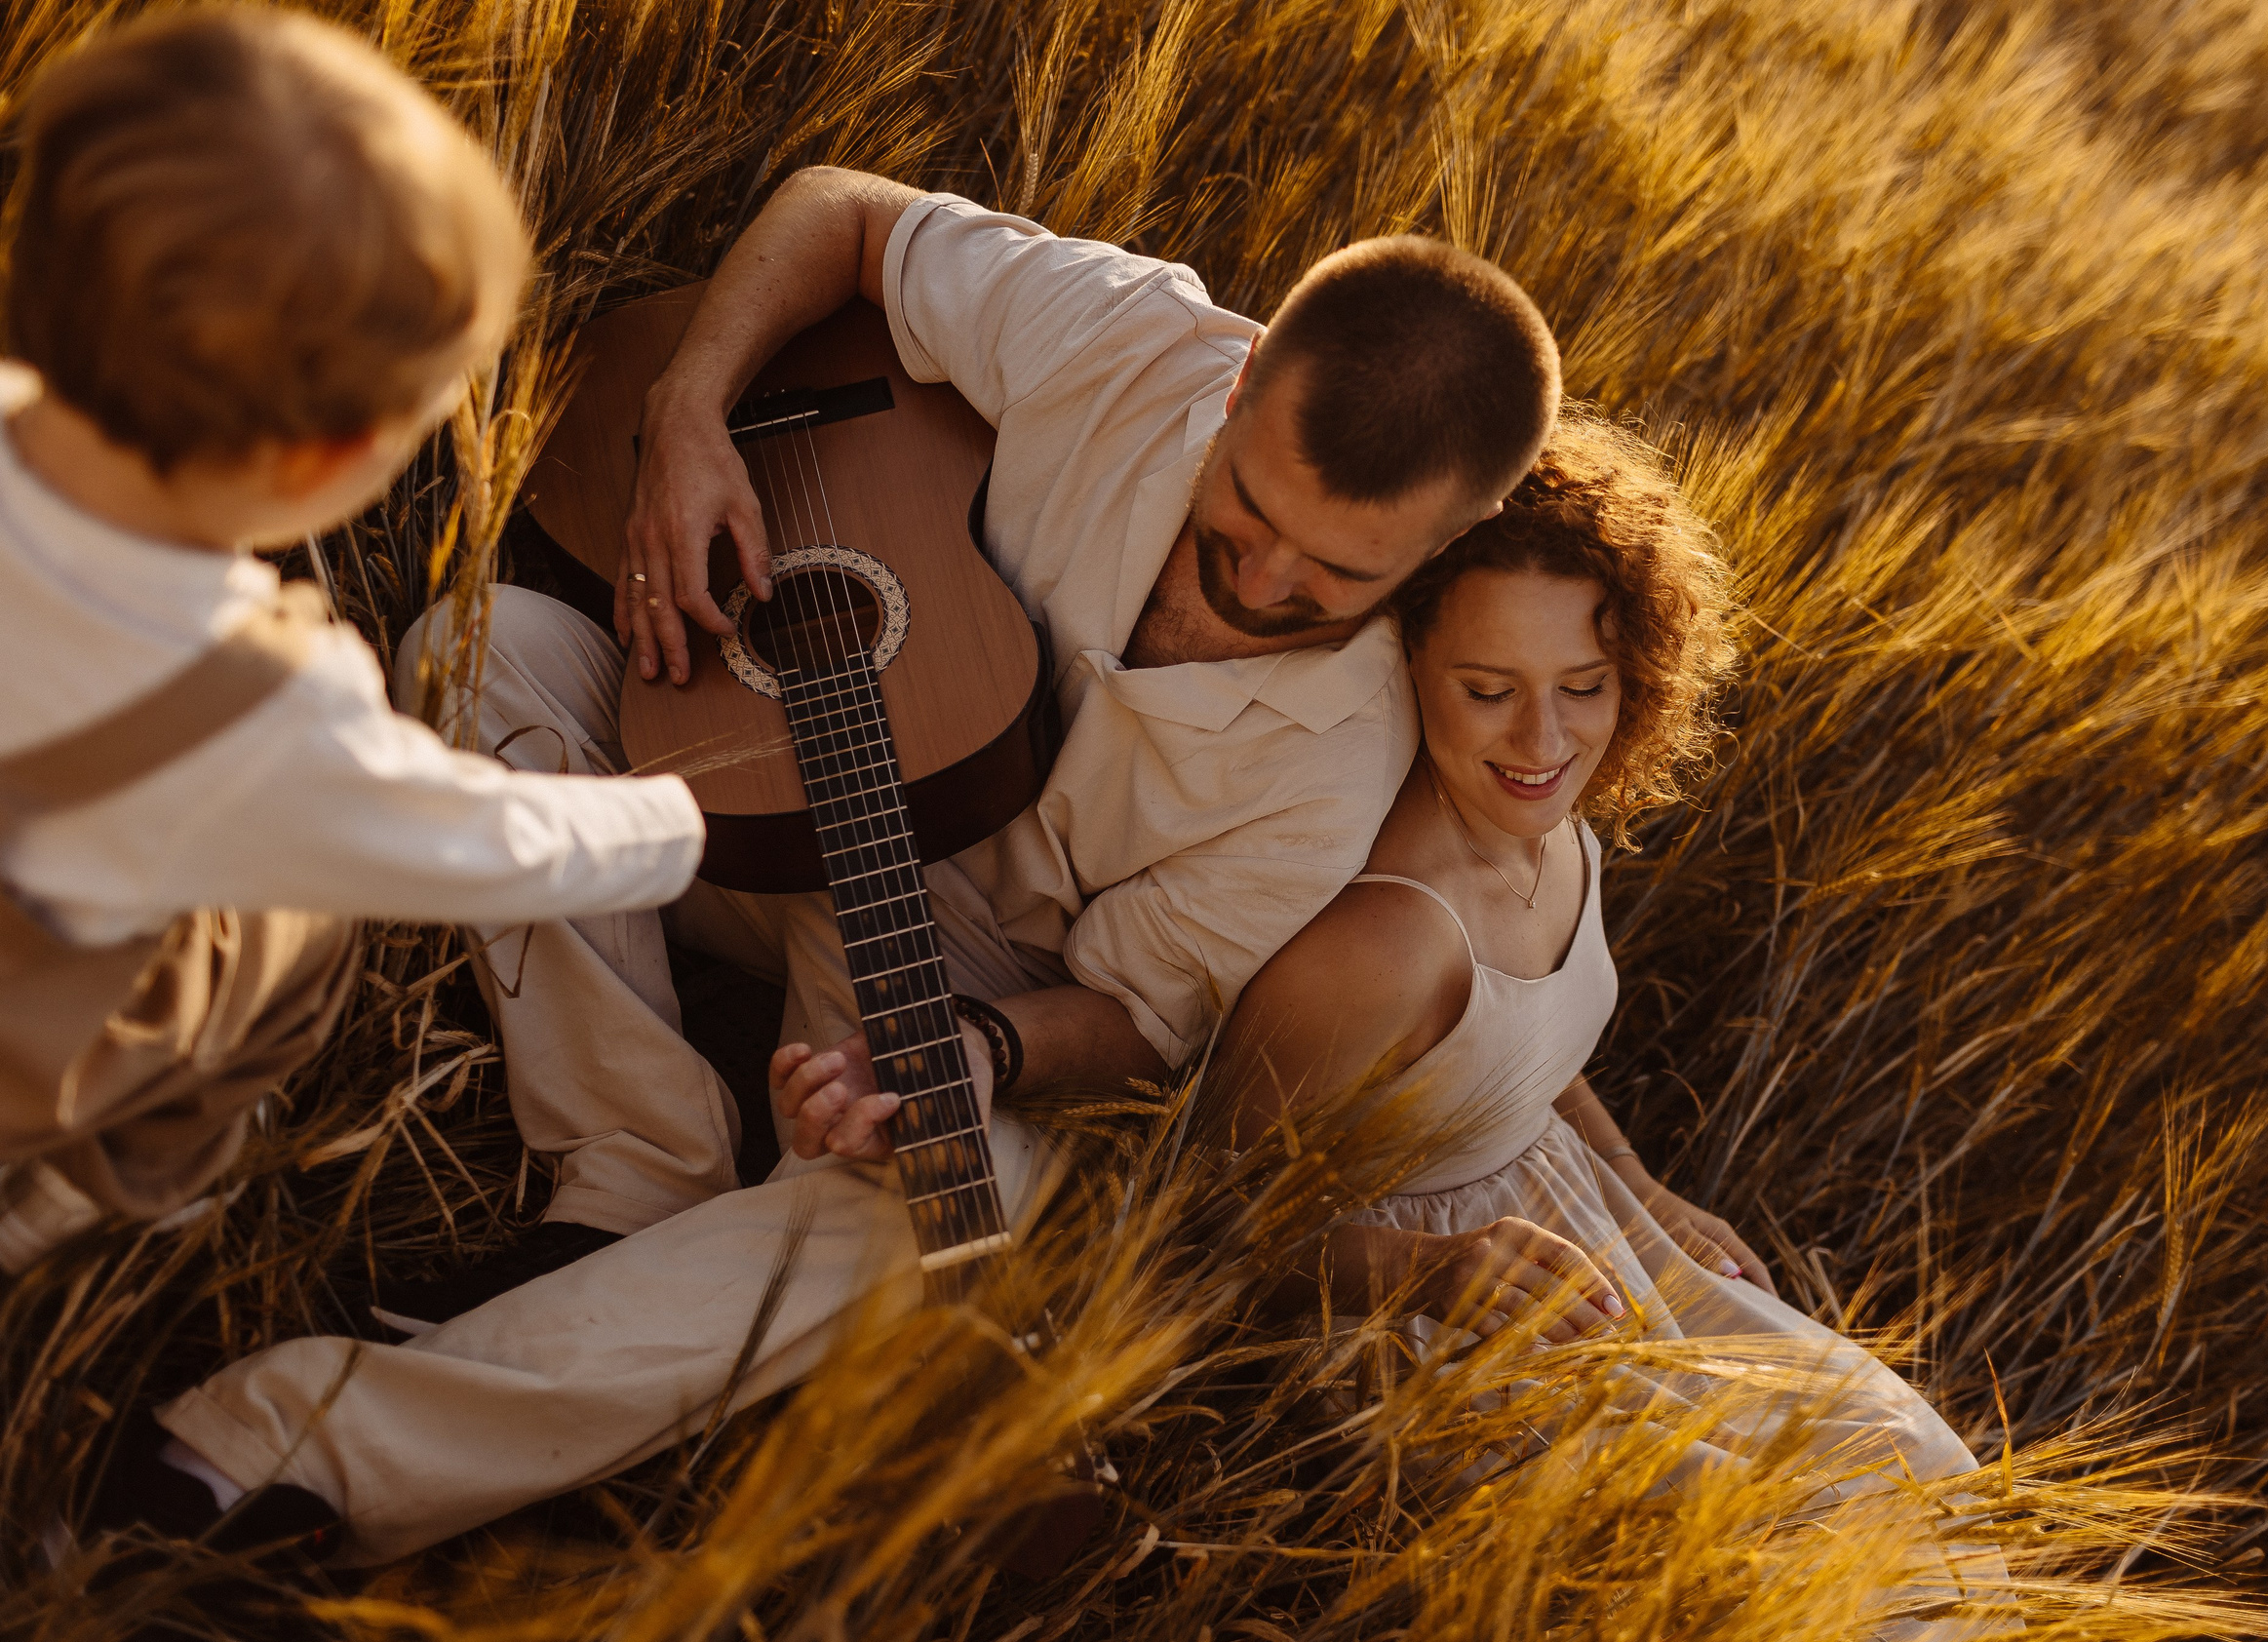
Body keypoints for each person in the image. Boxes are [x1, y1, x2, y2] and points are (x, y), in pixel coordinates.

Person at [102, 170, 1564, 1561]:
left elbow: (1141, 1013)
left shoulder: (1341, 766)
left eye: (1333, 576)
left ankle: (286, 1451)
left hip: (969, 979)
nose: (1258, 583)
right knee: (480, 659)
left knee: (949, 1191)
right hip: (768, 786)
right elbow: (849, 217)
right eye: (1243, 510)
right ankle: (636, 1171)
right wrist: (691, 413)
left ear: (1454, 538)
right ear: (1239, 384)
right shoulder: (1134, 340)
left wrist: (985, 1048)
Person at [1210, 412, 2030, 1642]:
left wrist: (1641, 1184)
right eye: (1488, 692)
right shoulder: (1384, 940)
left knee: (1911, 1466)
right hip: (1437, 1344)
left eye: (1582, 690)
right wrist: (1430, 1275)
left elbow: (1514, 1060)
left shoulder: (1556, 832)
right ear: (1407, 664)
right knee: (1805, 1588)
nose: (1542, 746)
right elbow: (1203, 1221)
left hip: (1587, 1243)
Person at [0, 13, 706, 1281]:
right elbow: (477, 843)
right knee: (292, 940)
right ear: (327, 462)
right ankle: (90, 1193)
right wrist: (674, 820)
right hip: (25, 1032)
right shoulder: (259, 708)